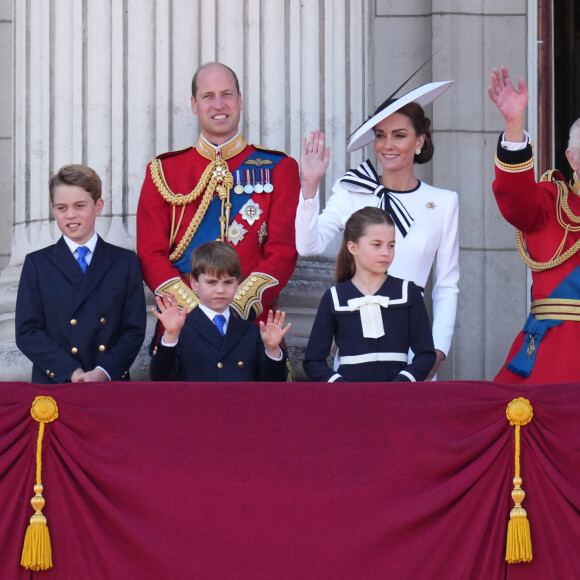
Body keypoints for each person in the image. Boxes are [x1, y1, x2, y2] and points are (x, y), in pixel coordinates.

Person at [297, 81, 459, 380]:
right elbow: (309, 246)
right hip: (356, 346)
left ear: (419, 141)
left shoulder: (444, 203)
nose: (388, 145)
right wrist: (309, 187)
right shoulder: (351, 190)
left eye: (399, 135)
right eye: (381, 136)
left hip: (414, 349)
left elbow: (447, 285)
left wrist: (437, 351)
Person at [137, 62, 301, 328]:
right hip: (182, 324)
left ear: (239, 100)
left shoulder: (279, 168)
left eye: (226, 94)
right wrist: (192, 311)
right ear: (194, 104)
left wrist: (236, 307)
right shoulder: (163, 171)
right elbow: (150, 253)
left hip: (250, 324)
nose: (219, 104)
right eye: (208, 96)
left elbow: (283, 252)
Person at [488, 65, 580, 383]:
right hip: (556, 359)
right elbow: (516, 197)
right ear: (571, 159)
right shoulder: (552, 202)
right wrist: (514, 126)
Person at [15, 164, 146, 384]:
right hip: (56, 384)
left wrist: (103, 372)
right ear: (53, 209)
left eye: (79, 205)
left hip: (109, 384)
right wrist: (71, 371)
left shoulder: (125, 262)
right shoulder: (36, 263)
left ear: (98, 206)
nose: (70, 215)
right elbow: (27, 331)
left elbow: (133, 330)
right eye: (62, 207)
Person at [303, 207, 435, 383]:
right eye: (377, 244)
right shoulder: (334, 297)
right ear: (353, 247)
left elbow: (426, 354)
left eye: (391, 245)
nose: (385, 252)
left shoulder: (408, 292)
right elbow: (313, 361)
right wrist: (340, 386)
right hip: (350, 401)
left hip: (399, 401)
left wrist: (403, 383)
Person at [149, 241, 290, 381]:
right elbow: (161, 381)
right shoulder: (180, 329)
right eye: (211, 282)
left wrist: (272, 351)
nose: (220, 290)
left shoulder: (252, 332)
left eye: (228, 282)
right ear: (194, 283)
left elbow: (272, 388)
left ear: (237, 284)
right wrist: (170, 338)